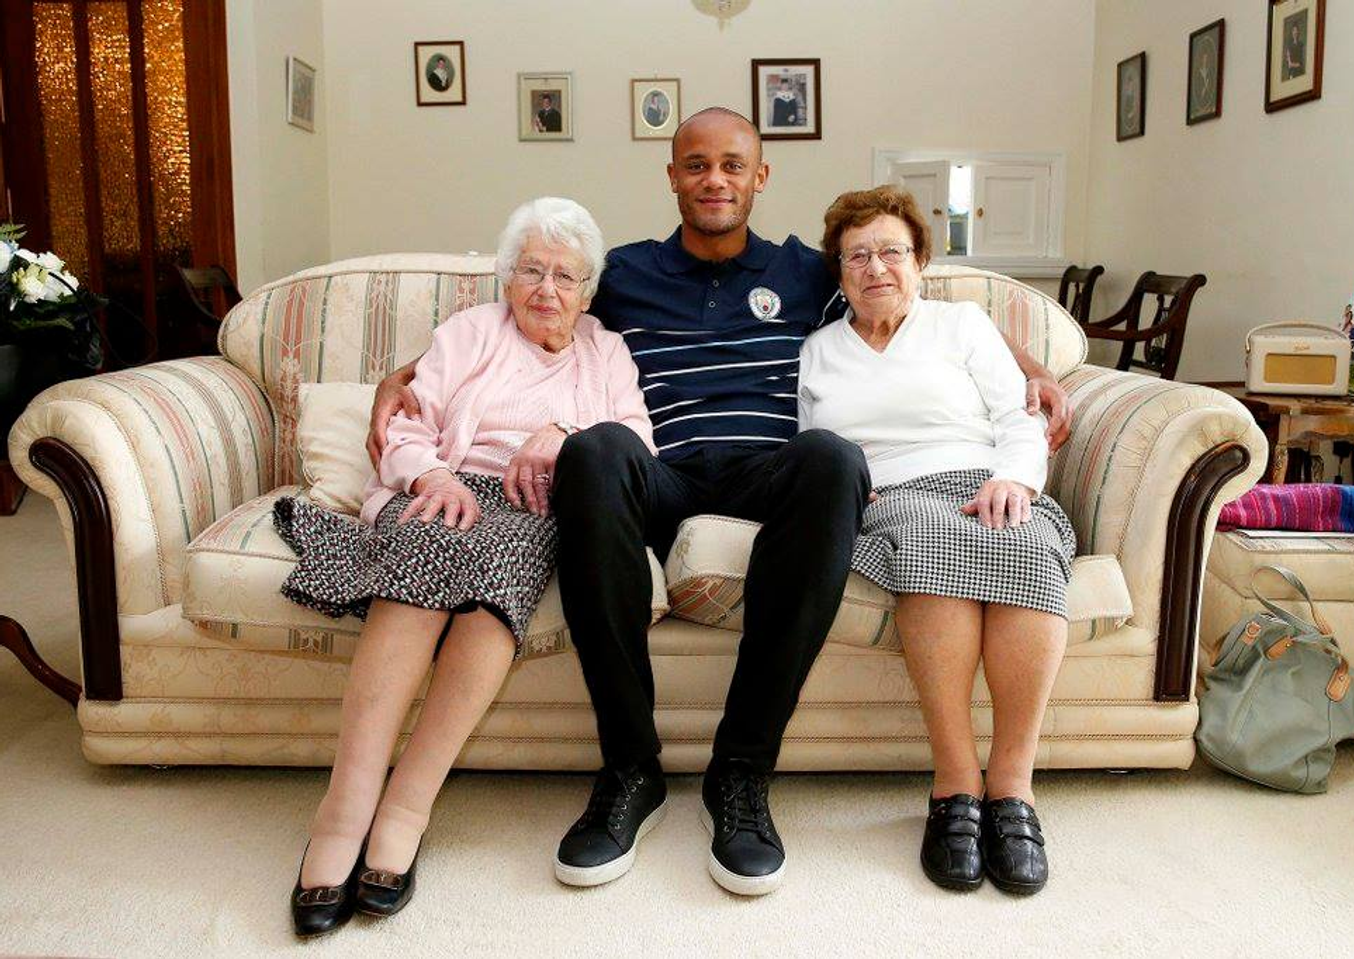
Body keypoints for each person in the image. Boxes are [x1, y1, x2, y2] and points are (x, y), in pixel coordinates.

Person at [367, 108, 1073, 896]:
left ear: (759, 177)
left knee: (834, 458)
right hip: (660, 472)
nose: (715, 180)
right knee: (594, 448)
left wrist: (1035, 367)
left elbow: (906, 306)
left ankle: (740, 771)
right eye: (697, 164)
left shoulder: (806, 271)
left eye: (732, 165)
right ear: (672, 176)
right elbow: (526, 312)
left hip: (766, 474)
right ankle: (629, 769)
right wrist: (403, 377)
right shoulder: (624, 272)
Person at [280, 197, 653, 936]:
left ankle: (406, 807)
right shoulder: (471, 332)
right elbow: (406, 424)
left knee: (496, 577)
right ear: (507, 278)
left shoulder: (606, 351)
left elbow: (636, 440)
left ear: (588, 292)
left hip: (534, 509)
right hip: (446, 485)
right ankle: (344, 811)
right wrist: (432, 475)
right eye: (531, 271)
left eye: (566, 276)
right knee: (429, 540)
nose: (547, 289)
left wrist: (565, 433)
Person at [799, 185, 1075, 895]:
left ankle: (1012, 788)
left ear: (920, 261)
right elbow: (809, 447)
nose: (875, 267)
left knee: (1025, 540)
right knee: (928, 538)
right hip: (889, 495)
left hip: (985, 477)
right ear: (839, 273)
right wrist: (846, 492)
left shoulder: (963, 326)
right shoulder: (818, 351)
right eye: (856, 255)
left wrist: (1016, 479)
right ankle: (954, 783)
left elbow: (1016, 416)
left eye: (891, 251)